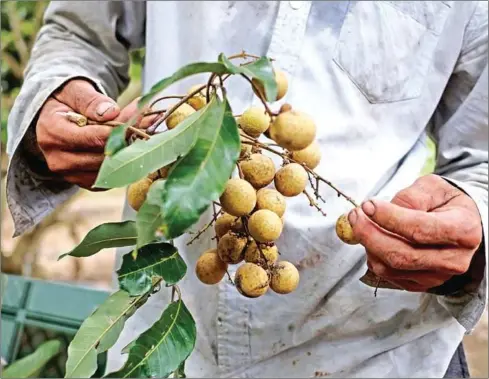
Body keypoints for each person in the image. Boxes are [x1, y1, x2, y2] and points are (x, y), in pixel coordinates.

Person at [6, 1, 488, 378]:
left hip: (380, 349)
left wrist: (472, 223)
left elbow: (482, 162)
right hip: (170, 332)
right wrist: (59, 92)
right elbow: (76, 34)